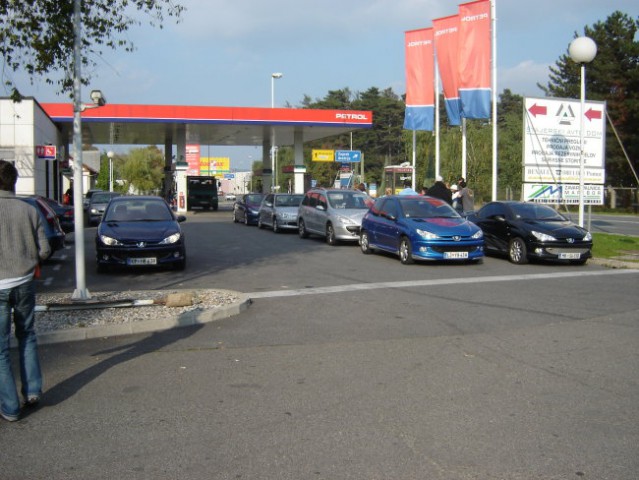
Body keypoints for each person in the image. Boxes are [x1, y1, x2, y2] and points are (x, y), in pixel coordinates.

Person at [0, 160, 51, 422]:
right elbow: (45, 250)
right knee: (27, 335)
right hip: (24, 281)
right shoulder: (29, 210)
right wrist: (29, 259)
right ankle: (32, 391)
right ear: (14, 182)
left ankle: (10, 407)